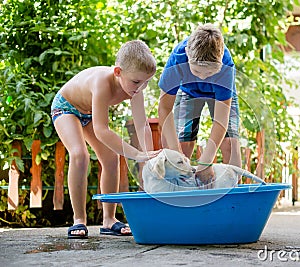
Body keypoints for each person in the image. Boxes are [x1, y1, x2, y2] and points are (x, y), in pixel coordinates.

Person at [51, 40, 160, 239]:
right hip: (66, 108)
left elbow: (142, 125)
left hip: (89, 113)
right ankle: (79, 219)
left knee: (110, 158)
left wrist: (148, 157)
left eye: (145, 82)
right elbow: (101, 130)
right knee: (79, 155)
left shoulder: (136, 87)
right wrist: (134, 153)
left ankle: (109, 219)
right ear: (118, 72)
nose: (140, 87)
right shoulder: (102, 82)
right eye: (136, 82)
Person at [158, 24, 241, 187]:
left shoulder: (226, 65)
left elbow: (220, 120)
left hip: (219, 95)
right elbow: (164, 108)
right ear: (188, 55)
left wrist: (206, 160)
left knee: (230, 144)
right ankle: (180, 194)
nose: (203, 77)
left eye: (209, 73)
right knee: (182, 142)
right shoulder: (178, 57)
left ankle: (232, 197)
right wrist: (176, 153)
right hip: (188, 91)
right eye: (196, 72)